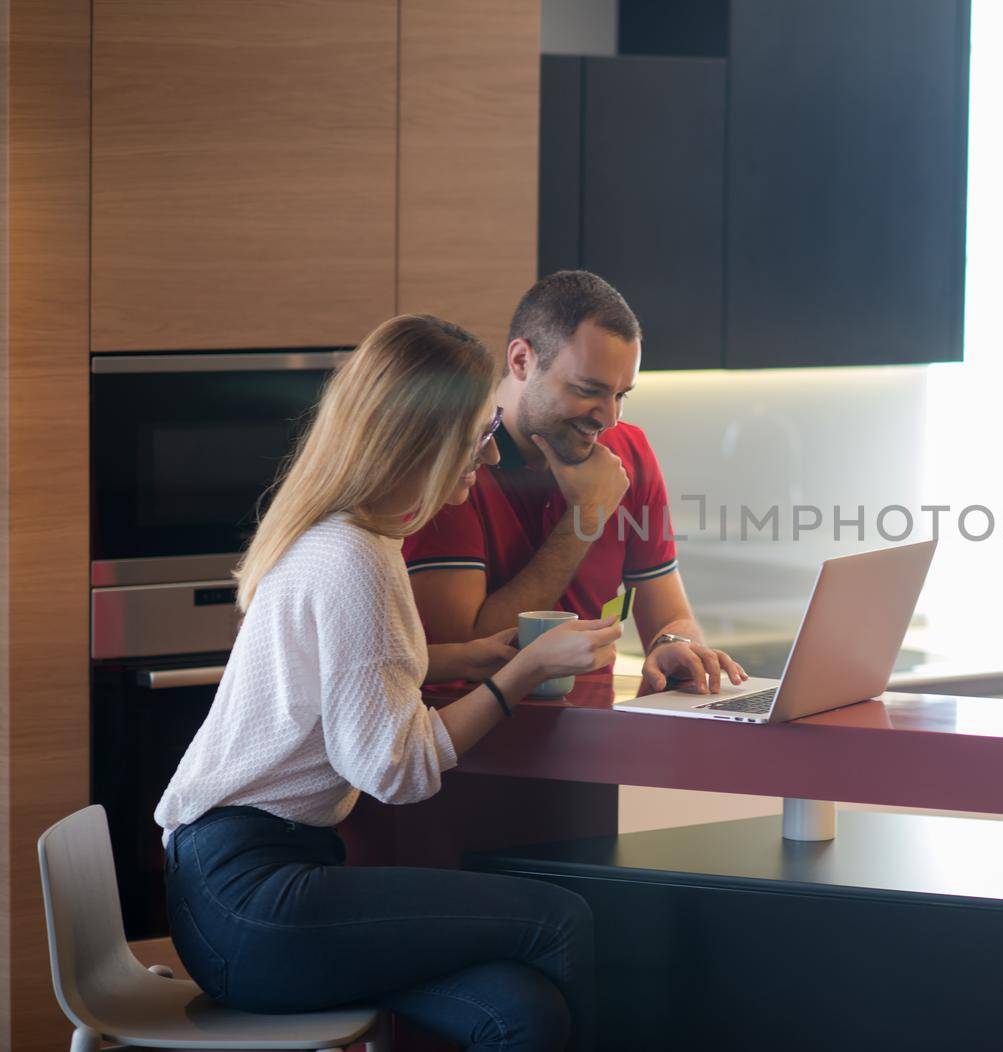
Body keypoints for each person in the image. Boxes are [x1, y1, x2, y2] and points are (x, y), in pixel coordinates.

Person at [156, 314, 620, 1051]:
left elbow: (346, 673)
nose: (490, 450)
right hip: (252, 900)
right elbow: (394, 769)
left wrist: (468, 658)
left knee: (521, 1012)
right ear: (423, 437)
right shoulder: (358, 562)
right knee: (561, 918)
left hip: (229, 891)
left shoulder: (342, 536)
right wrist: (526, 670)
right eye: (477, 431)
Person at [404, 271, 745, 696]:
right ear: (522, 361)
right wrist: (585, 517)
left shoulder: (628, 451)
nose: (609, 418)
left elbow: (671, 617)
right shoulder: (457, 468)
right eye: (589, 390)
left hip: (594, 735)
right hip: (474, 743)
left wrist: (674, 645)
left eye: (621, 395)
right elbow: (467, 653)